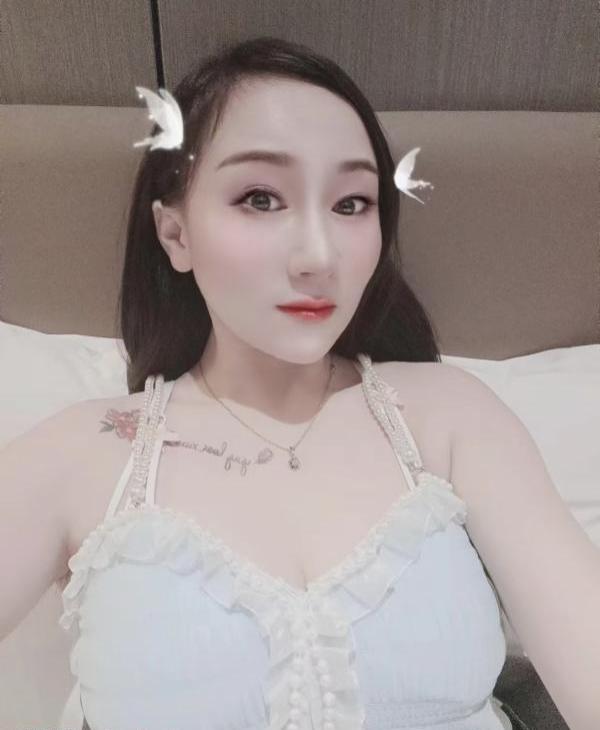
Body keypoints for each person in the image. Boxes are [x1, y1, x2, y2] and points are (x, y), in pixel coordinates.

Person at [3, 35, 595, 730]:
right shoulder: (85, 451)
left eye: (352, 204)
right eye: (260, 198)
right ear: (175, 234)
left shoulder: (447, 415)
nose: (319, 256)